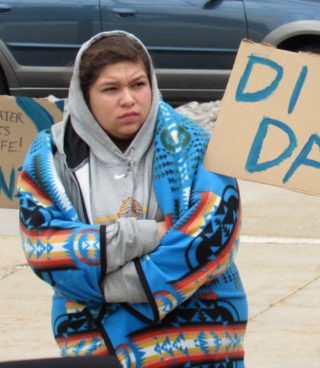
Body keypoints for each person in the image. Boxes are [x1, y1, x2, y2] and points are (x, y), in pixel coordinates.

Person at [17, 31, 247, 367]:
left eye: (138, 84)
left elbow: (212, 240)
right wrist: (148, 234)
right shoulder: (51, 157)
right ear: (84, 96)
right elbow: (47, 249)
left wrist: (105, 280)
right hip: (97, 343)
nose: (128, 99)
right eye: (111, 89)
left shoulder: (196, 146)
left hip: (196, 339)